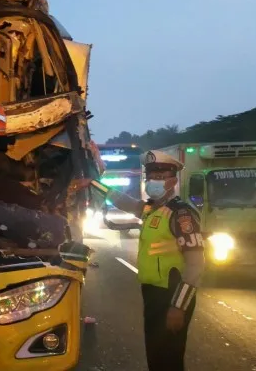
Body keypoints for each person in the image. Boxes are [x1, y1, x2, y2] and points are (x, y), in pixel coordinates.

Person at [80, 149, 205, 371]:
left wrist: (178, 307)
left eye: (159, 177)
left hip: (171, 294)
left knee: (169, 359)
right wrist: (93, 183)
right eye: (150, 177)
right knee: (156, 356)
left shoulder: (181, 214)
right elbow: (121, 200)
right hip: (153, 293)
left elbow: (196, 265)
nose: (153, 182)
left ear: (172, 181)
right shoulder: (150, 209)